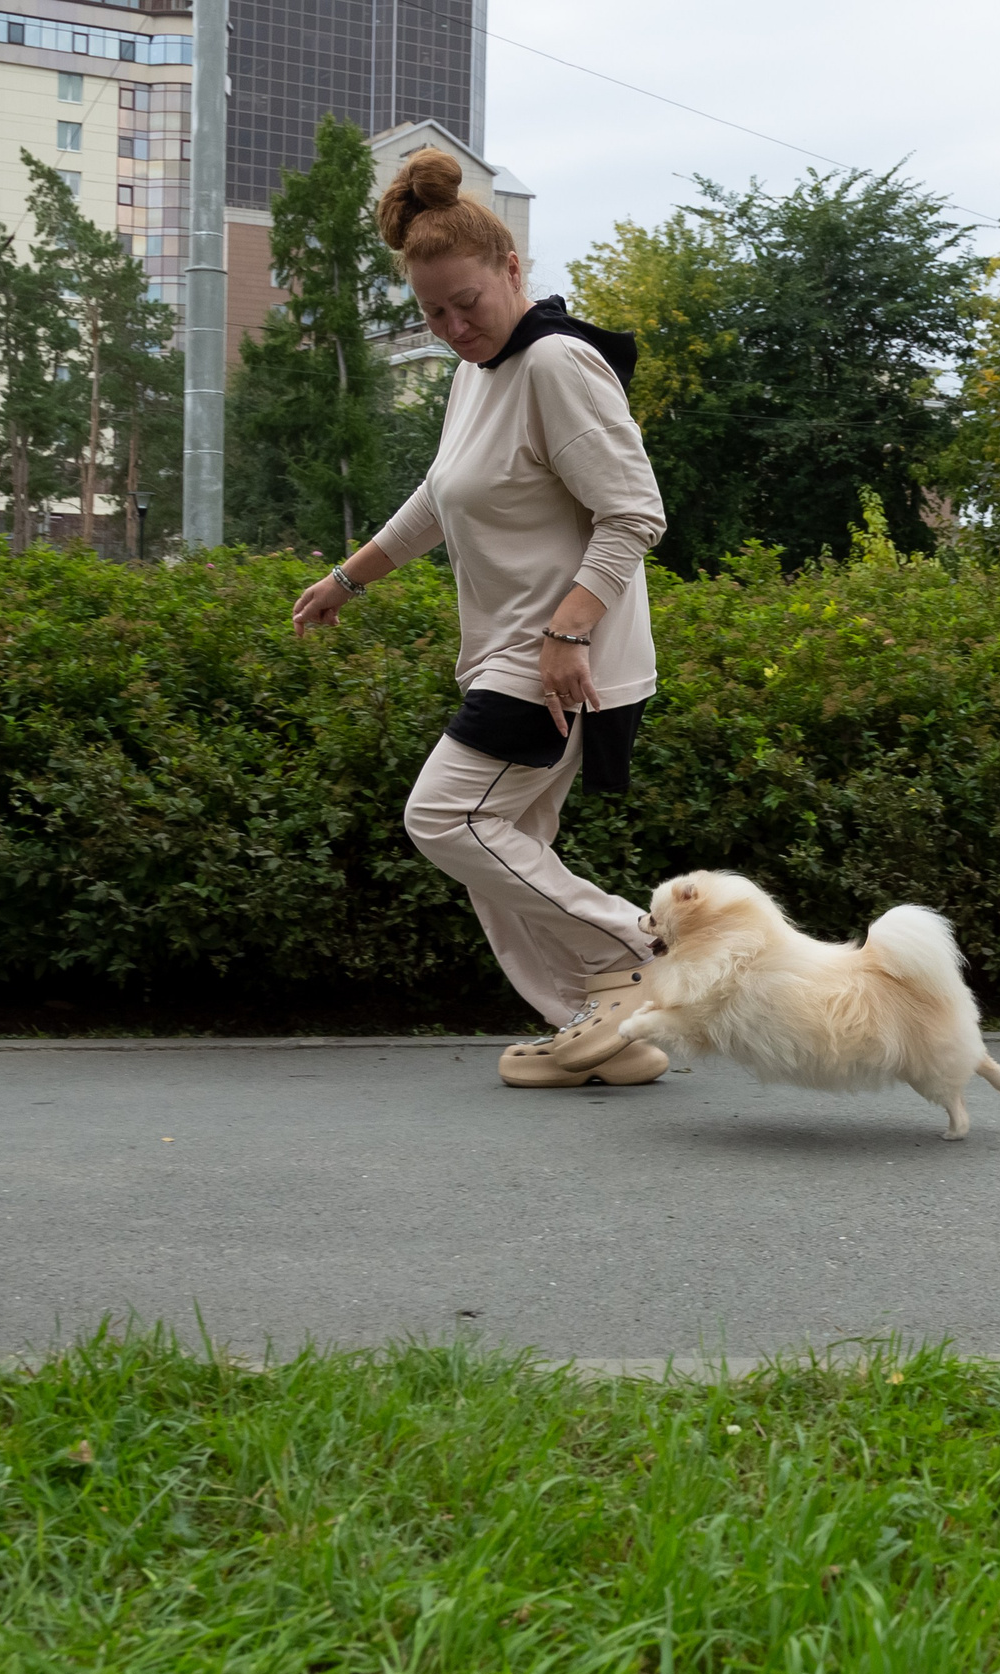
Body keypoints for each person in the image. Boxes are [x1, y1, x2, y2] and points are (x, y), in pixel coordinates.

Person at [290, 149, 667, 1088]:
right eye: (433, 314)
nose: (455, 327)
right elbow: (441, 494)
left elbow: (635, 512)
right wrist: (349, 577)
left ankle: (639, 953)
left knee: (445, 815)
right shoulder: (478, 374)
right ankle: (597, 1032)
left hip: (554, 658)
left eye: (467, 302)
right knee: (502, 852)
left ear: (512, 268)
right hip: (513, 652)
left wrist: (569, 631)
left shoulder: (556, 363)